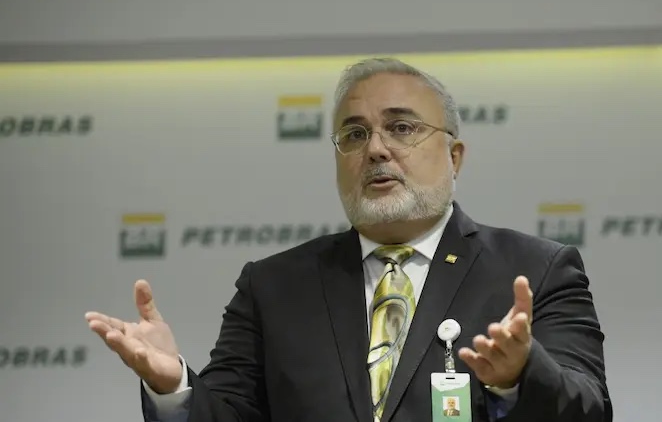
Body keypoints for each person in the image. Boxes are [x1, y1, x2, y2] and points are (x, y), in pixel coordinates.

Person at [85, 57, 612, 422]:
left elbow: (590, 411)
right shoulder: (273, 287)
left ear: (454, 157)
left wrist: (520, 376)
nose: (376, 149)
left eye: (402, 128)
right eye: (355, 135)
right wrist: (173, 386)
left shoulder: (536, 270)